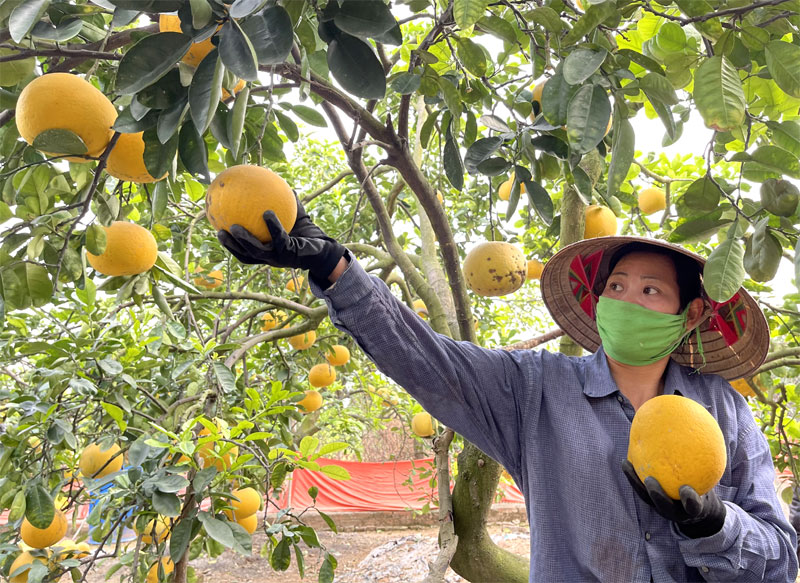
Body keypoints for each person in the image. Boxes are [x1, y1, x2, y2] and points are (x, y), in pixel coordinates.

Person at [217, 201, 799, 582]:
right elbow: (424, 358)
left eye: (650, 291)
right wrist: (334, 267)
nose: (626, 301)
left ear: (690, 312)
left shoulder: (724, 406)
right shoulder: (536, 391)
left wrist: (715, 526)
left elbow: (781, 555)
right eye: (615, 287)